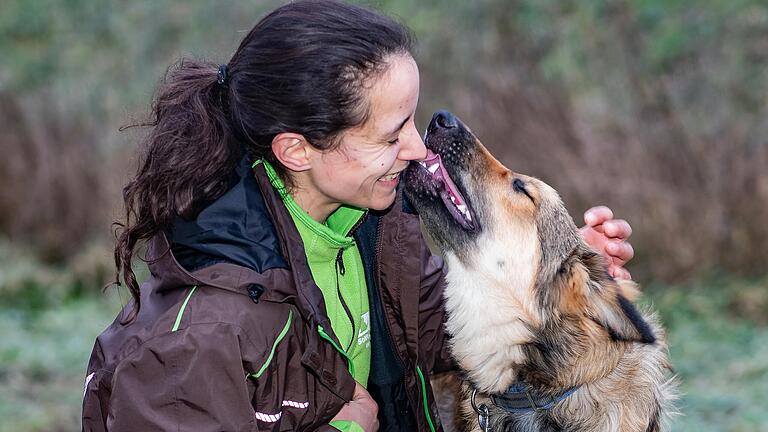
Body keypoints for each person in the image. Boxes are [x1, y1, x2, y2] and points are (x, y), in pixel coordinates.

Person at [82, 1, 634, 431]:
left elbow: (437, 332)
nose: (420, 150)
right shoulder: (196, 340)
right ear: (297, 150)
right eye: (392, 135)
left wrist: (544, 273)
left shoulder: (376, 223)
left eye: (412, 122)